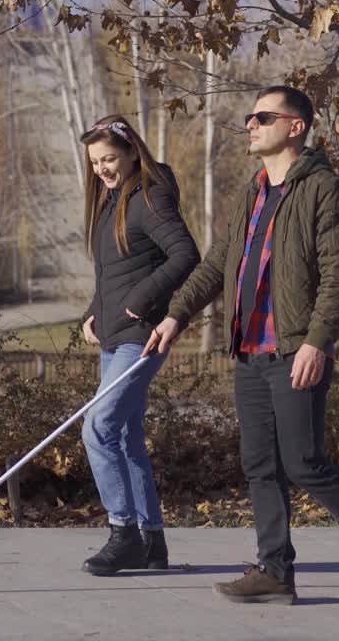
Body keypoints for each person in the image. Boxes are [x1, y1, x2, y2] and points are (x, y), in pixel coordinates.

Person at [142, 87, 339, 611]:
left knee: (305, 462)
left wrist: (318, 342)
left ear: (295, 127)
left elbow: (337, 277)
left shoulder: (326, 191)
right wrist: (176, 314)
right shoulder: (254, 190)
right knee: (259, 463)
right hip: (250, 350)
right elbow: (218, 264)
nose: (250, 124)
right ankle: (274, 570)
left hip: (295, 348)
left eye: (262, 117)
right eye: (250, 117)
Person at [77, 114, 200, 575]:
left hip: (141, 336)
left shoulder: (150, 197)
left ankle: (123, 532)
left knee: (98, 428)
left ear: (131, 152)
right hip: (113, 335)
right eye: (94, 162)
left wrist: (141, 300)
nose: (102, 168)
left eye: (109, 158)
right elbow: (115, 269)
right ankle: (152, 543)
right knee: (126, 437)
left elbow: (186, 255)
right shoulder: (112, 200)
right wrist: (93, 309)